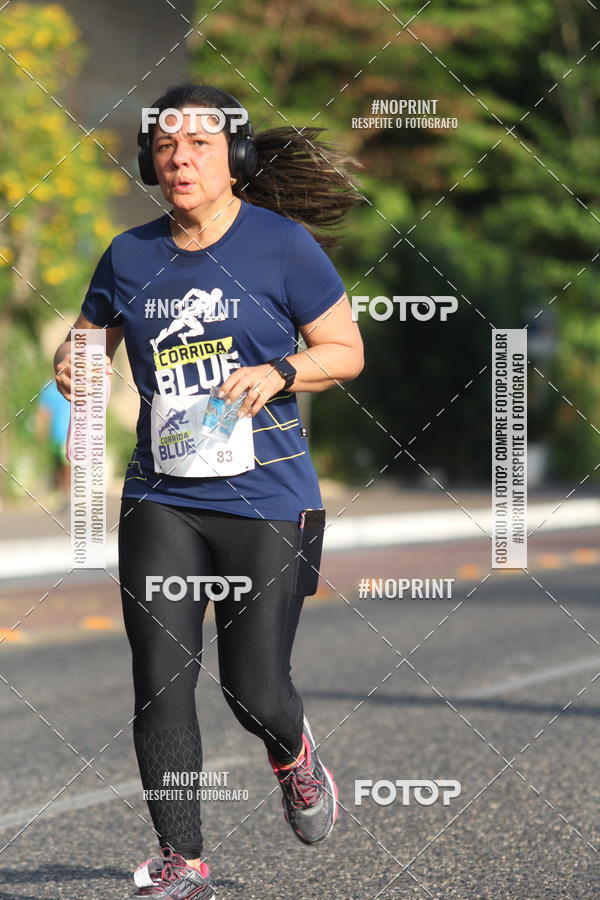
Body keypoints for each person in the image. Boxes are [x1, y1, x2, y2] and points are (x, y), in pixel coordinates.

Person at [53, 82, 364, 899]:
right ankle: (182, 861)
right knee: (160, 679)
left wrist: (281, 370)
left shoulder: (284, 246)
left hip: (268, 498)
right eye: (165, 145)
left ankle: (294, 757)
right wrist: (74, 366)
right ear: (150, 160)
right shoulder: (129, 255)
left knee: (253, 689)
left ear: (236, 156)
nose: (180, 158)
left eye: (198, 143)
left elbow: (345, 349)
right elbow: (86, 347)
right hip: (163, 497)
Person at [35, 379, 71, 510]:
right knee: (59, 465)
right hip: (56, 435)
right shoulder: (49, 388)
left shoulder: (76, 384)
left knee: (66, 465)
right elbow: (43, 412)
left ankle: (65, 495)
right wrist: (40, 430)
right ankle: (62, 494)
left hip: (69, 434)